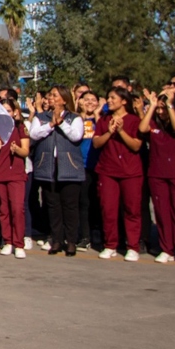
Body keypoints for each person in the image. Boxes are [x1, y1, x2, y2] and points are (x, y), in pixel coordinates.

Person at [29, 85, 85, 256]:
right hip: (48, 167)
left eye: (55, 95)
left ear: (64, 99)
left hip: (69, 168)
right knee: (53, 206)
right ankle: (56, 239)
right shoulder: (41, 117)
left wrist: (61, 124)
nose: (50, 98)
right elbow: (34, 134)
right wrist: (51, 124)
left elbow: (76, 136)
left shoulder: (74, 118)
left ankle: (71, 241)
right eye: (50, 95)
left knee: (70, 206)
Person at [138, 87, 175, 265]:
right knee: (162, 213)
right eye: (159, 109)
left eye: (163, 108)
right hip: (157, 174)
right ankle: (166, 248)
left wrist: (170, 105)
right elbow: (142, 127)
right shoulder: (153, 123)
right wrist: (152, 106)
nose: (161, 112)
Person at [91, 87, 145, 261]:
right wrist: (110, 131)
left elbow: (136, 146)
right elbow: (97, 143)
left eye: (113, 97)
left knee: (132, 210)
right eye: (108, 97)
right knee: (108, 209)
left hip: (130, 171)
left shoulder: (134, 121)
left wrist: (121, 131)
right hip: (108, 170)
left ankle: (132, 246)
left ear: (124, 101)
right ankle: (110, 244)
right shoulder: (104, 120)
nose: (109, 100)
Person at [0, 98, 30, 258]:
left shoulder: (20, 127)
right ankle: (8, 241)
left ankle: (19, 243)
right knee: (3, 210)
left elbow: (26, 151)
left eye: (8, 111)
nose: (6, 114)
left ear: (15, 112)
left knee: (17, 208)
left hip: (15, 173)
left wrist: (16, 149)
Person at [76, 90, 101, 248]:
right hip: (81, 165)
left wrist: (97, 115)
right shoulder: (76, 119)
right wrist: (82, 114)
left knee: (97, 201)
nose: (90, 102)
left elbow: (103, 132)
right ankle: (85, 235)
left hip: (99, 165)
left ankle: (97, 231)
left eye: (93, 100)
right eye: (86, 100)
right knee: (83, 202)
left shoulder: (103, 119)